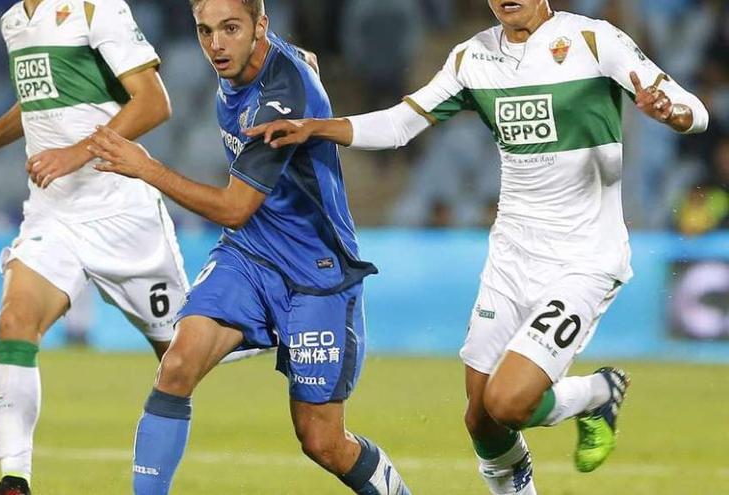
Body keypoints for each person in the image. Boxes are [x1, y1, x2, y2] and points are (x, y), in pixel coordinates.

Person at [246, 0, 709, 493]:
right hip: (511, 257)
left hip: (583, 261)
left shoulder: (594, 40)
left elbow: (694, 111)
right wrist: (317, 127)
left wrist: (672, 113)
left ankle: (598, 392)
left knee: (507, 402)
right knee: (480, 418)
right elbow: (401, 124)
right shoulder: (473, 58)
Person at [86, 0, 412, 493]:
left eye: (230, 29)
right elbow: (294, 59)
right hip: (250, 255)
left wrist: (145, 167)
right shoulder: (247, 58)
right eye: (205, 31)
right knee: (176, 365)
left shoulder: (281, 96)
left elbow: (234, 207)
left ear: (261, 26)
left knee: (322, 440)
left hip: (315, 273)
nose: (216, 44)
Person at [0, 1, 186, 493]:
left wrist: (78, 152)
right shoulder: (13, 22)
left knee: (185, 358)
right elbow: (36, 105)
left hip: (121, 212)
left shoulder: (97, 8)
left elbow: (155, 102)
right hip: (54, 212)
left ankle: (285, 326)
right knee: (15, 320)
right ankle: (14, 480)